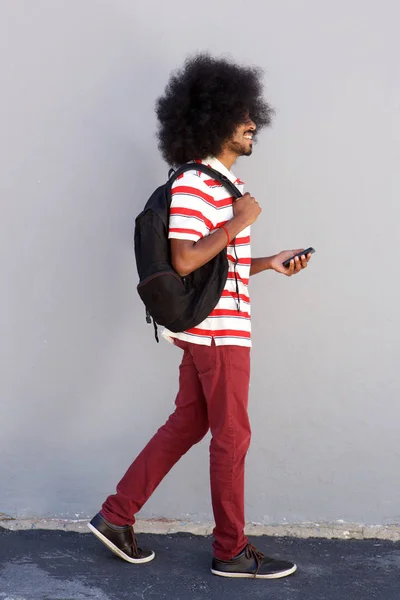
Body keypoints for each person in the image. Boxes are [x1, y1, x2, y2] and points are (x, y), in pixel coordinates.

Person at [88, 53, 312, 579]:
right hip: (219, 335)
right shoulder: (196, 185)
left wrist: (268, 262)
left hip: (211, 330)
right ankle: (231, 550)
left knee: (187, 422)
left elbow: (216, 263)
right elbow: (187, 256)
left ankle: (116, 515)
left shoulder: (219, 188)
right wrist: (239, 221)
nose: (253, 123)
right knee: (232, 437)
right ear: (212, 122)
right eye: (241, 115)